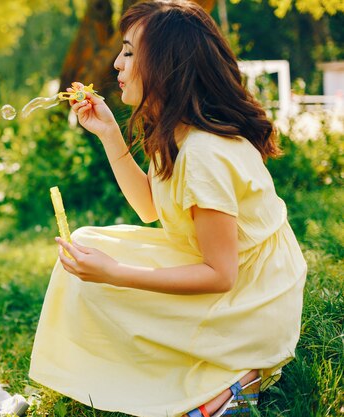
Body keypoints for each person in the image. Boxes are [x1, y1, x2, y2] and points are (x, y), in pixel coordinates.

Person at [29, 1, 306, 416]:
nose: (117, 65)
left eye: (128, 52)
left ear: (165, 65)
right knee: (87, 245)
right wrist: (108, 134)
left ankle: (237, 375)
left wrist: (117, 274)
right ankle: (224, 375)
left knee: (103, 276)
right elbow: (148, 207)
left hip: (254, 300)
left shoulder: (204, 153)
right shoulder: (179, 132)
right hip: (237, 276)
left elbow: (220, 275)